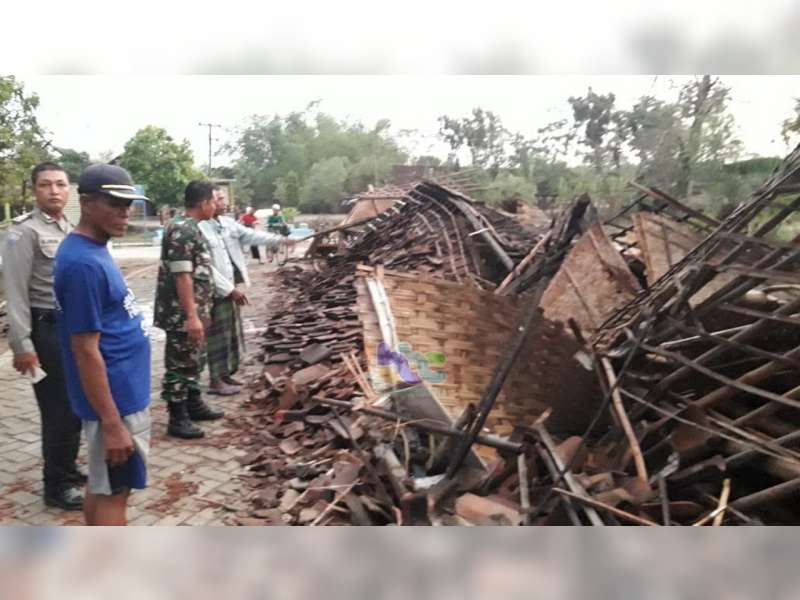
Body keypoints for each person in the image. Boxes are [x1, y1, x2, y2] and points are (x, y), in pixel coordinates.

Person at [53, 163, 152, 525]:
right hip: (117, 402)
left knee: (103, 487)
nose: (124, 212)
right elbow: (84, 348)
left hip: (121, 394)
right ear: (87, 203)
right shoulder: (83, 264)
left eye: (128, 204)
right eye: (113, 203)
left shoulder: (92, 250)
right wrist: (112, 424)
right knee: (115, 493)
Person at [1, 162, 84, 511]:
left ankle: (67, 466)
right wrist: (22, 345)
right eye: (46, 185)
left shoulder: (71, 227)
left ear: (69, 190)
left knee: (77, 405)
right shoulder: (23, 232)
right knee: (58, 411)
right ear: (34, 190)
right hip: (45, 330)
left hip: (72, 330)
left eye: (61, 184)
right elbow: (16, 293)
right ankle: (56, 485)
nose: (54, 191)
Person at [200, 189, 288, 395]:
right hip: (215, 291)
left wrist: (280, 240)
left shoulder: (227, 223)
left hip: (230, 287)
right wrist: (230, 290)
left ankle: (225, 374)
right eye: (218, 199)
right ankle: (215, 379)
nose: (223, 202)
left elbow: (252, 235)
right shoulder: (201, 228)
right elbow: (205, 267)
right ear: (207, 202)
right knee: (217, 336)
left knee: (231, 333)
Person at [154, 180, 223, 439]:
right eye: (214, 201)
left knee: (194, 360)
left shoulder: (192, 227)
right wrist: (192, 317)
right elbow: (183, 277)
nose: (217, 205)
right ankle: (177, 417)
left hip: (194, 311)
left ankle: (194, 405)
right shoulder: (182, 230)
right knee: (179, 365)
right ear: (204, 203)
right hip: (181, 314)